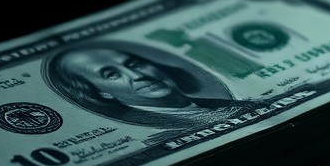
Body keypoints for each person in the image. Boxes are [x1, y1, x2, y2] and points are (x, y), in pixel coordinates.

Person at [44, 40, 257, 129]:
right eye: (111, 74)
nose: (136, 75)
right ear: (101, 92)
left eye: (134, 64)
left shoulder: (224, 104)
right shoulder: (161, 130)